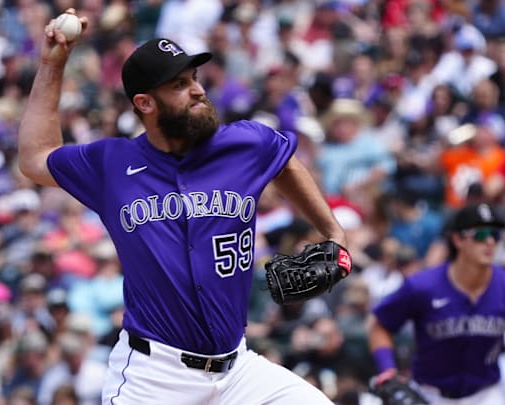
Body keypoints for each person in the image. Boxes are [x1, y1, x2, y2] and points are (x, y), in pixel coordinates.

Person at [18, 8, 347, 404]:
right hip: (154, 378)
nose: (197, 90)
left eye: (193, 78)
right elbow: (36, 156)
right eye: (178, 84)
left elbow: (285, 162)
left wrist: (333, 232)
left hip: (239, 372)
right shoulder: (111, 164)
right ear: (145, 103)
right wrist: (53, 63)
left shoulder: (244, 144)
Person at [367, 202, 505, 404]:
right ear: (458, 239)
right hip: (429, 395)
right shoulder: (423, 286)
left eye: (496, 234)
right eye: (480, 235)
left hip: (486, 395)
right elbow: (380, 325)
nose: (490, 242)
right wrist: (387, 369)